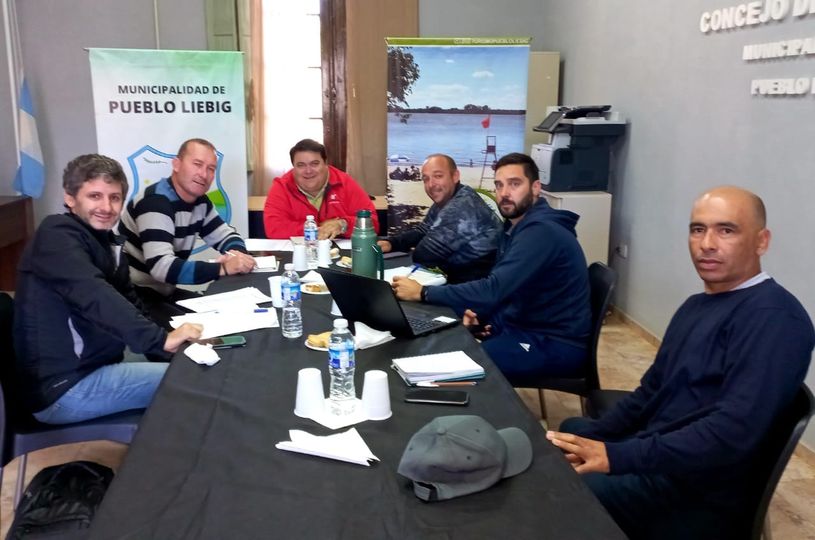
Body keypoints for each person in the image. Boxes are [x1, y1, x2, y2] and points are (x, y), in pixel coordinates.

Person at [547, 186, 815, 540]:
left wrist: (618, 456)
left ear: (761, 241)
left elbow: (731, 434)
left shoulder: (775, 320)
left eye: (726, 230)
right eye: (698, 229)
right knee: (571, 431)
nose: (707, 244)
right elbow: (650, 393)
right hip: (666, 456)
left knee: (556, 494)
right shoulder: (695, 306)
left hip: (696, 492)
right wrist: (598, 438)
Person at [13, 154, 203, 424]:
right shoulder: (56, 235)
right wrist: (159, 341)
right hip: (64, 387)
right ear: (70, 198)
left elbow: (131, 304)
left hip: (100, 363)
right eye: (95, 196)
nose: (106, 207)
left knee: (190, 365)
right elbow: (94, 295)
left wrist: (171, 344)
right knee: (194, 380)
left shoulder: (107, 241)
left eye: (114, 198)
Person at [392, 152, 591, 381]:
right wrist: (492, 322)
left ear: (536, 188)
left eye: (514, 184)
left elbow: (493, 289)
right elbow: (513, 290)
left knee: (455, 368)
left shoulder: (541, 232)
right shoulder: (517, 227)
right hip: (525, 326)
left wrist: (423, 293)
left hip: (555, 344)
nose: (504, 193)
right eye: (499, 185)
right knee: (446, 346)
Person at [119, 138, 256, 327]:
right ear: (176, 164)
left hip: (163, 292)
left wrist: (236, 254)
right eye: (197, 164)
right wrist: (223, 268)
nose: (204, 174)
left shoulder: (200, 202)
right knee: (204, 331)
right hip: (134, 296)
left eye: (211, 169)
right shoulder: (155, 202)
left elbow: (226, 235)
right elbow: (161, 268)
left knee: (226, 317)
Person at [378, 154, 501, 283]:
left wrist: (416, 247)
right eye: (426, 179)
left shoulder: (461, 205)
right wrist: (392, 243)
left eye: (438, 176)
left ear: (455, 176)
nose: (431, 184)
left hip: (477, 286)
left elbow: (424, 255)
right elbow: (423, 230)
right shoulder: (450, 197)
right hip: (462, 278)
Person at [263, 138, 378, 240]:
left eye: (314, 164)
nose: (308, 171)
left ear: (325, 164)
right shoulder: (282, 186)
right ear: (293, 167)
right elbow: (274, 228)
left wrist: (343, 224)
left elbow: (372, 223)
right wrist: (319, 229)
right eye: (301, 165)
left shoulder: (344, 182)